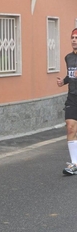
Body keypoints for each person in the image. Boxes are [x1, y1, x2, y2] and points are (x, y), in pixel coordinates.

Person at [58, 28, 77, 175]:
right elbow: (70, 76)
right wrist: (63, 81)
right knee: (70, 128)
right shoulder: (68, 57)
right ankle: (74, 164)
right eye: (72, 37)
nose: (74, 40)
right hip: (72, 97)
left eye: (76, 37)